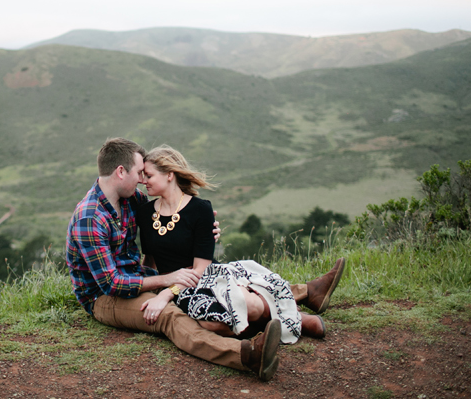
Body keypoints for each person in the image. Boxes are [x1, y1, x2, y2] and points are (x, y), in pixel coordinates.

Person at [66, 138, 338, 381]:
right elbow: (112, 283)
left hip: (143, 277)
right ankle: (245, 355)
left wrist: (205, 231)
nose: (141, 180)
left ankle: (305, 295)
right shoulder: (91, 217)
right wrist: (167, 280)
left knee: (226, 283)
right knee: (170, 316)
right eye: (139, 173)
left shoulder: (131, 200)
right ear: (120, 172)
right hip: (103, 297)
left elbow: (175, 215)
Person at [136, 145, 344, 343]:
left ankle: (293, 320)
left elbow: (201, 269)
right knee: (212, 323)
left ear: (169, 174)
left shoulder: (200, 209)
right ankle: (281, 322)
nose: (143, 181)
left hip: (207, 277)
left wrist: (166, 294)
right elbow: (151, 261)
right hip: (180, 288)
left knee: (247, 305)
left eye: (149, 175)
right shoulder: (145, 213)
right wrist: (149, 287)